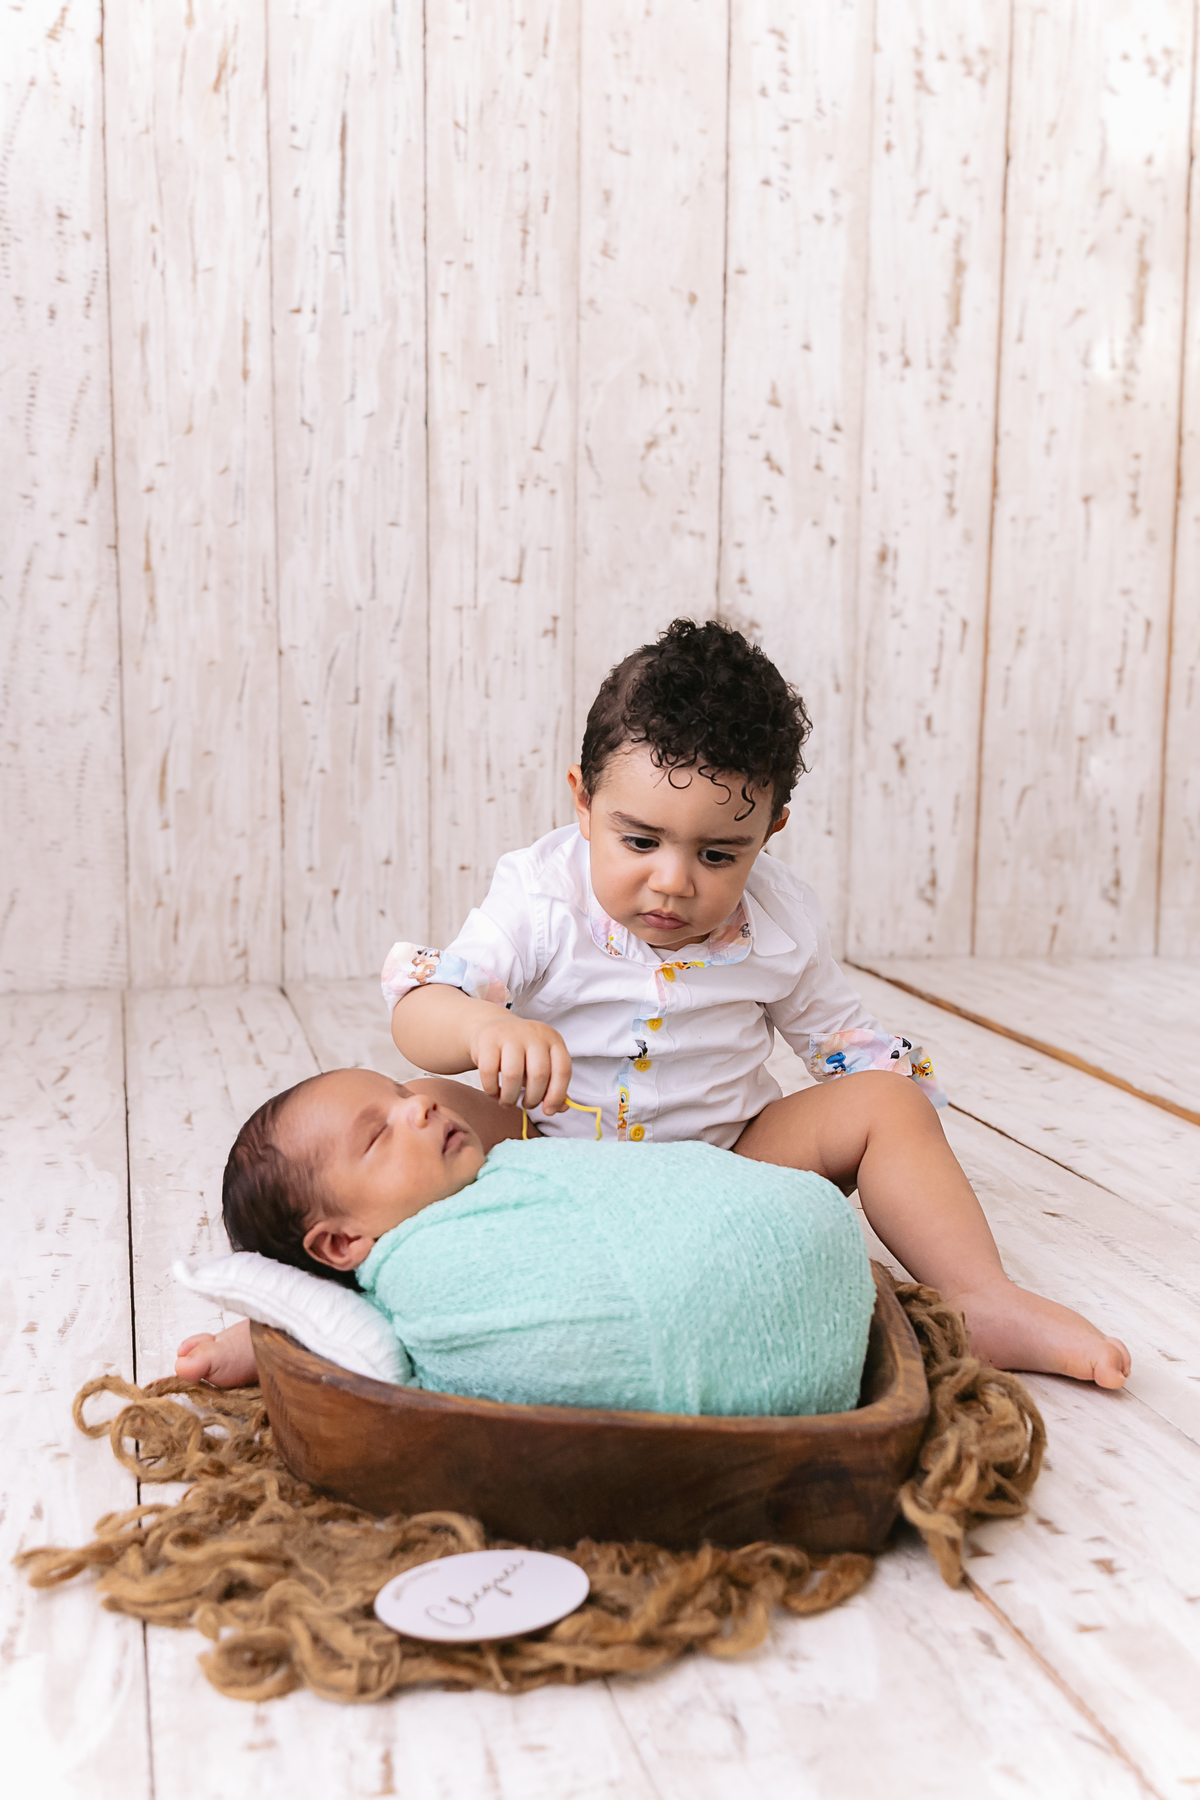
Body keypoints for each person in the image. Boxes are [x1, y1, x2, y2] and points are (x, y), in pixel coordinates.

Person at [180, 618, 1128, 1390]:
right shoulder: (543, 897)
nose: (674, 883)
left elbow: (838, 1041)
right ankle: (305, 1323)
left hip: (723, 1164)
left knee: (883, 1108)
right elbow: (425, 1007)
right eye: (639, 840)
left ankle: (980, 1293)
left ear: (769, 831)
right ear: (583, 803)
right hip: (547, 1158)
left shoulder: (779, 921)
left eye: (719, 854)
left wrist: (892, 1108)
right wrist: (483, 1027)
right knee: (399, 1114)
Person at [181, 1067, 877, 1416]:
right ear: (340, 1243)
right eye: (379, 1132)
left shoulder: (497, 1174)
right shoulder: (419, 1277)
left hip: (790, 1250)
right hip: (794, 1310)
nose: (419, 1104)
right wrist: (250, 1337)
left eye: (398, 1094)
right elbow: (325, 1319)